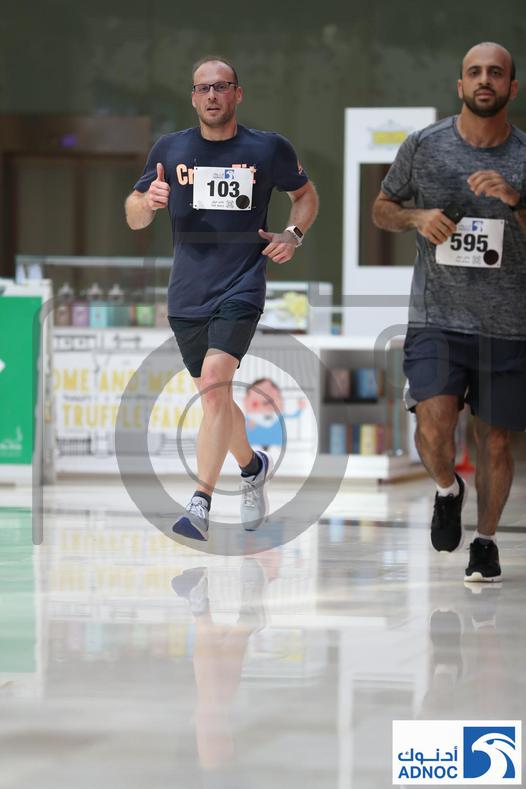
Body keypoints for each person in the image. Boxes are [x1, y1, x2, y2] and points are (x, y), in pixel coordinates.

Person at [125, 56, 318, 541]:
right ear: (193, 97)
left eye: (222, 86)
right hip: (187, 293)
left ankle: (200, 503)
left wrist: (293, 235)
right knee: (215, 398)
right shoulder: (170, 149)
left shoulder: (267, 148)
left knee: (214, 381)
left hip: (242, 284)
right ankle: (252, 467)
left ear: (238, 93)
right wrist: (147, 202)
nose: (212, 95)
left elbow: (305, 196)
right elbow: (133, 215)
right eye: (203, 88)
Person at [372, 42, 526, 582]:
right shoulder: (424, 145)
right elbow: (382, 209)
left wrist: (516, 200)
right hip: (437, 317)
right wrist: (417, 218)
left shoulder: (524, 156)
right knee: (434, 424)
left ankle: (485, 543)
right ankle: (446, 489)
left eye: (496, 73)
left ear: (511, 87)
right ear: (460, 86)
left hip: (510, 325)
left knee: (496, 440)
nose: (485, 80)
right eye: (474, 72)